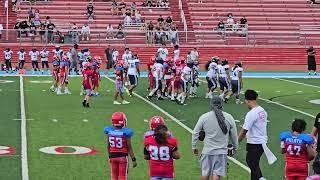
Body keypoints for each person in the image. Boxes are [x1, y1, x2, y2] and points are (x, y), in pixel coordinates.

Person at [192, 96, 238, 180]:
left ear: (211, 105)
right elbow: (234, 135)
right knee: (217, 174)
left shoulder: (204, 117)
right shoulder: (229, 117)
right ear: (221, 104)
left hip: (207, 151)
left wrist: (194, 146)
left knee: (205, 173)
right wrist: (235, 148)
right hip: (221, 152)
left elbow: (195, 133)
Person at [238, 90, 276, 180]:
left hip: (254, 143)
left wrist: (237, 142)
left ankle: (260, 178)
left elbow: (244, 130)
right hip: (261, 142)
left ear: (247, 100)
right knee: (254, 164)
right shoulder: (262, 110)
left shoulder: (251, 113)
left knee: (252, 163)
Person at [104, 112, 137, 180]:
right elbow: (129, 147)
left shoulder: (109, 131)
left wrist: (110, 156)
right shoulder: (126, 132)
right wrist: (133, 159)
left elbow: (108, 146)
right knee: (122, 176)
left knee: (114, 176)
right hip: (122, 157)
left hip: (112, 156)